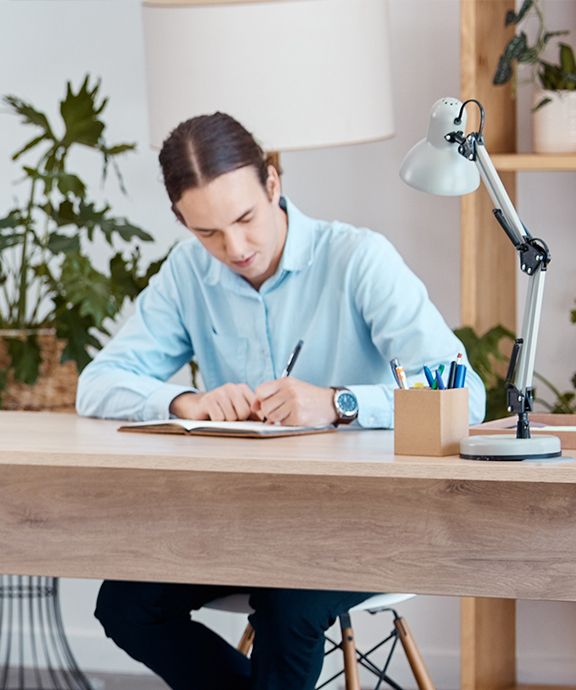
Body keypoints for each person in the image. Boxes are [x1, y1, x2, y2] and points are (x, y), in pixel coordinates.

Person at [76, 112, 482, 690]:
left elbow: (463, 395)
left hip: (362, 516)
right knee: (124, 604)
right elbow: (98, 383)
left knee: (287, 603)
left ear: (272, 183)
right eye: (208, 232)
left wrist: (339, 403)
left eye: (244, 219)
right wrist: (184, 401)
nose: (235, 247)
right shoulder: (187, 273)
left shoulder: (358, 258)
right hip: (249, 516)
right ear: (181, 222)